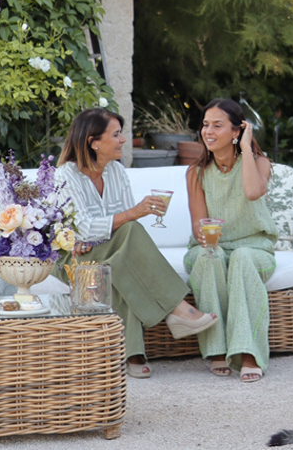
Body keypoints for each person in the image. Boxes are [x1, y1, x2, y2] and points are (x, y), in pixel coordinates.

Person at [56, 107, 216, 378]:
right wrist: (132, 214)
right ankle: (177, 311)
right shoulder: (65, 175)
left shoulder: (116, 171)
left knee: (120, 259)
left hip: (107, 247)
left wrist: (128, 217)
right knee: (128, 236)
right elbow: (83, 228)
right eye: (116, 135)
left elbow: (123, 224)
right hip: (74, 255)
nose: (123, 140)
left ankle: (132, 352)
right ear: (93, 142)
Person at [185, 98, 277, 382]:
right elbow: (199, 226)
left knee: (241, 257)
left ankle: (248, 352)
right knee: (209, 257)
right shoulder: (196, 172)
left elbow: (252, 192)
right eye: (205, 125)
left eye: (217, 125)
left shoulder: (259, 163)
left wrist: (246, 147)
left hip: (255, 249)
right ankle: (216, 348)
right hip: (211, 248)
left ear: (237, 131)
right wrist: (204, 235)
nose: (208, 131)